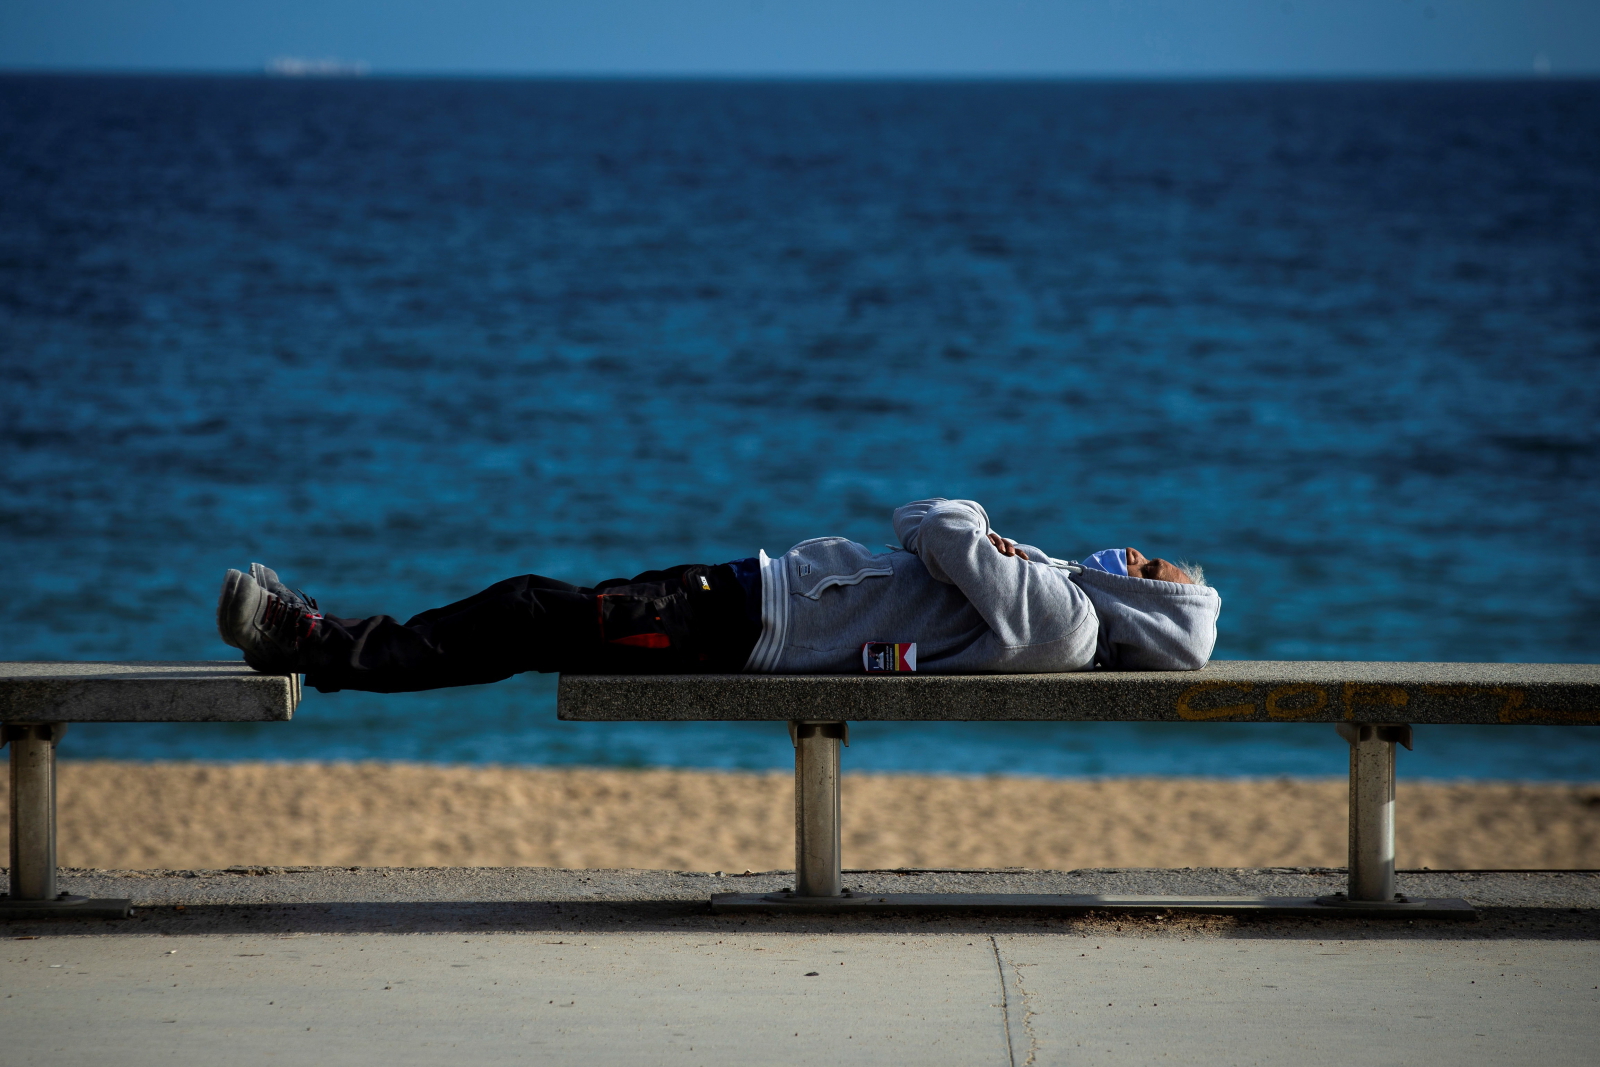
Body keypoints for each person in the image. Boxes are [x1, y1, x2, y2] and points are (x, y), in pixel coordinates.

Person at [217, 497, 1220, 693]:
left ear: (1154, 610)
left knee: (529, 610)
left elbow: (934, 518)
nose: (1134, 552)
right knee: (536, 610)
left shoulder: (1068, 615)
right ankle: (316, 635)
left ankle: (308, 639)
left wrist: (982, 528)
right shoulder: (1061, 605)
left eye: (1155, 567)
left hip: (751, 623)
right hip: (751, 599)